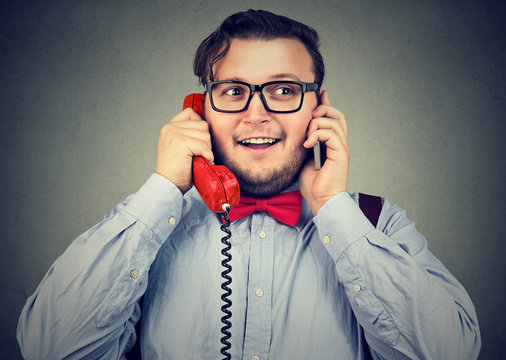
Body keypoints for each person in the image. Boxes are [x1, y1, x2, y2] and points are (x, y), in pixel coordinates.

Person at [17, 9, 481, 360]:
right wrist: (162, 190)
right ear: (200, 109)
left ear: (318, 107)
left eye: (283, 90)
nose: (256, 114)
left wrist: (334, 209)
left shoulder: (378, 225)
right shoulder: (146, 227)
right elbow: (48, 347)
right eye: (234, 91)